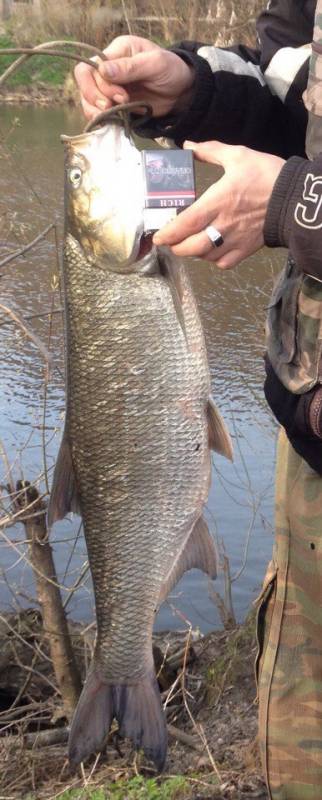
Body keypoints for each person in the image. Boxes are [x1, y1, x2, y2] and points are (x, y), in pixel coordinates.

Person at [74, 2, 322, 797]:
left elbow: (300, 180)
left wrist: (296, 205)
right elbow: (292, 99)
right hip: (312, 430)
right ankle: (124, 664)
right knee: (303, 757)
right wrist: (187, 90)